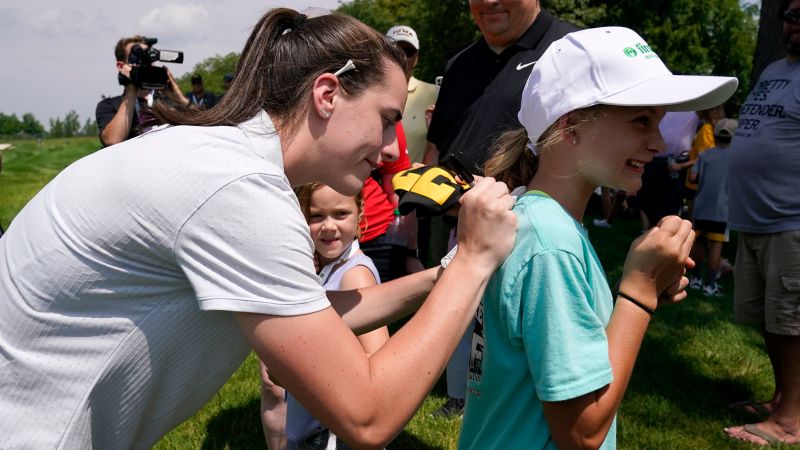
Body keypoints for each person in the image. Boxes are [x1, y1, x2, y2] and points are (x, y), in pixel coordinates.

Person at [0, 9, 518, 449]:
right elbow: (367, 417)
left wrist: (444, 274)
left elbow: (310, 316)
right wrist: (472, 261)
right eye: (385, 118)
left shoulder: (225, 159)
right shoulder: (239, 190)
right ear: (327, 94)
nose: (389, 148)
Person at [458, 26, 737, 449]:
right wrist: (637, 293)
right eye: (641, 121)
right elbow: (582, 432)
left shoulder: (537, 221)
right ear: (570, 126)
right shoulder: (551, 243)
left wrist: (621, 308)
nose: (658, 142)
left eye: (658, 122)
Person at [423, 0, 578, 418]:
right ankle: (463, 399)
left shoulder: (567, 48)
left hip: (535, 229)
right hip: (461, 221)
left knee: (532, 337)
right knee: (460, 313)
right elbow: (439, 142)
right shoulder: (460, 63)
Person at [723, 0, 800, 445]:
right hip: (754, 218)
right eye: (791, 15)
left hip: (791, 221)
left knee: (791, 321)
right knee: (770, 319)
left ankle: (789, 421)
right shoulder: (774, 70)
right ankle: (782, 398)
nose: (795, 24)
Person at [284, 183, 389, 449]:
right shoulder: (329, 267)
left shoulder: (354, 276)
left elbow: (379, 358)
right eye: (316, 216)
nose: (328, 226)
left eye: (340, 214)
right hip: (315, 424)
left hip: (332, 433)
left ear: (360, 213)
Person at [95, 35, 188, 147]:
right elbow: (113, 140)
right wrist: (131, 90)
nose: (145, 64)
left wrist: (181, 100)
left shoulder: (169, 103)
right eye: (138, 57)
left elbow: (204, 128)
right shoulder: (109, 106)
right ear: (121, 66)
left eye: (148, 58)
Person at [686, 118, 738, 296]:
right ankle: (710, 284)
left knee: (699, 242)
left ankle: (695, 279)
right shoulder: (736, 158)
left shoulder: (704, 154)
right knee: (716, 245)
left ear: (714, 136)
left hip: (701, 206)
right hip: (722, 210)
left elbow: (693, 178)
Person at [385, 25, 438, 164]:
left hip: (415, 182)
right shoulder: (367, 92)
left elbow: (437, 148)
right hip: (373, 183)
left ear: (416, 58)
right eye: (396, 51)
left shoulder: (434, 93)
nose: (402, 56)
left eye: (408, 51)